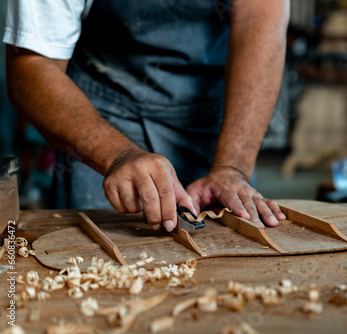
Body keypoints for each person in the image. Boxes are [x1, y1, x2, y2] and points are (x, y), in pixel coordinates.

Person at [4, 0, 289, 231]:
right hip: (102, 111)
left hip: (216, 113)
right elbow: (33, 64)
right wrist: (117, 154)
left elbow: (260, 13)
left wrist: (233, 168)